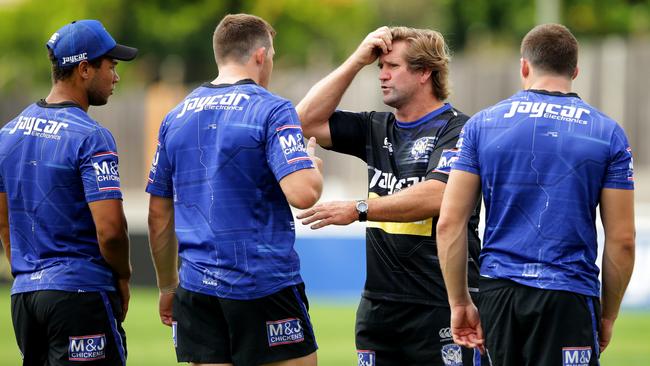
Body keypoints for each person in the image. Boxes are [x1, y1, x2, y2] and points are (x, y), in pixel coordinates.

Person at [437, 23, 636, 366]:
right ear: (575, 70)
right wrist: (608, 316)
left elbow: (449, 224)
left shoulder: (481, 126)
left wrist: (460, 303)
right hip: (569, 295)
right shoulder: (608, 133)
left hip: (499, 294)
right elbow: (623, 240)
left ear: (524, 67)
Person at [296, 26, 484, 365]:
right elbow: (303, 122)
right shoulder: (375, 127)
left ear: (425, 71)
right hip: (379, 309)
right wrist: (356, 60)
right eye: (379, 66)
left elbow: (438, 195)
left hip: (441, 306)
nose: (381, 75)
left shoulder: (459, 130)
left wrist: (359, 209)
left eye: (392, 66)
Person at [146, 13, 323, 366]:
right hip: (261, 283)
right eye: (271, 56)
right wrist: (312, 166)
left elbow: (157, 214)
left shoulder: (175, 116)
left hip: (195, 289)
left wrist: (168, 287)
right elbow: (303, 194)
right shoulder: (272, 109)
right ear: (260, 55)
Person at [0, 19, 137, 365]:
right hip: (79, 294)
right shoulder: (92, 137)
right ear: (85, 69)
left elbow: (4, 224)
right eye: (112, 66)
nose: (116, 77)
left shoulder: (8, 134)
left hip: (25, 298)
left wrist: (28, 275)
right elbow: (111, 230)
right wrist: (122, 275)